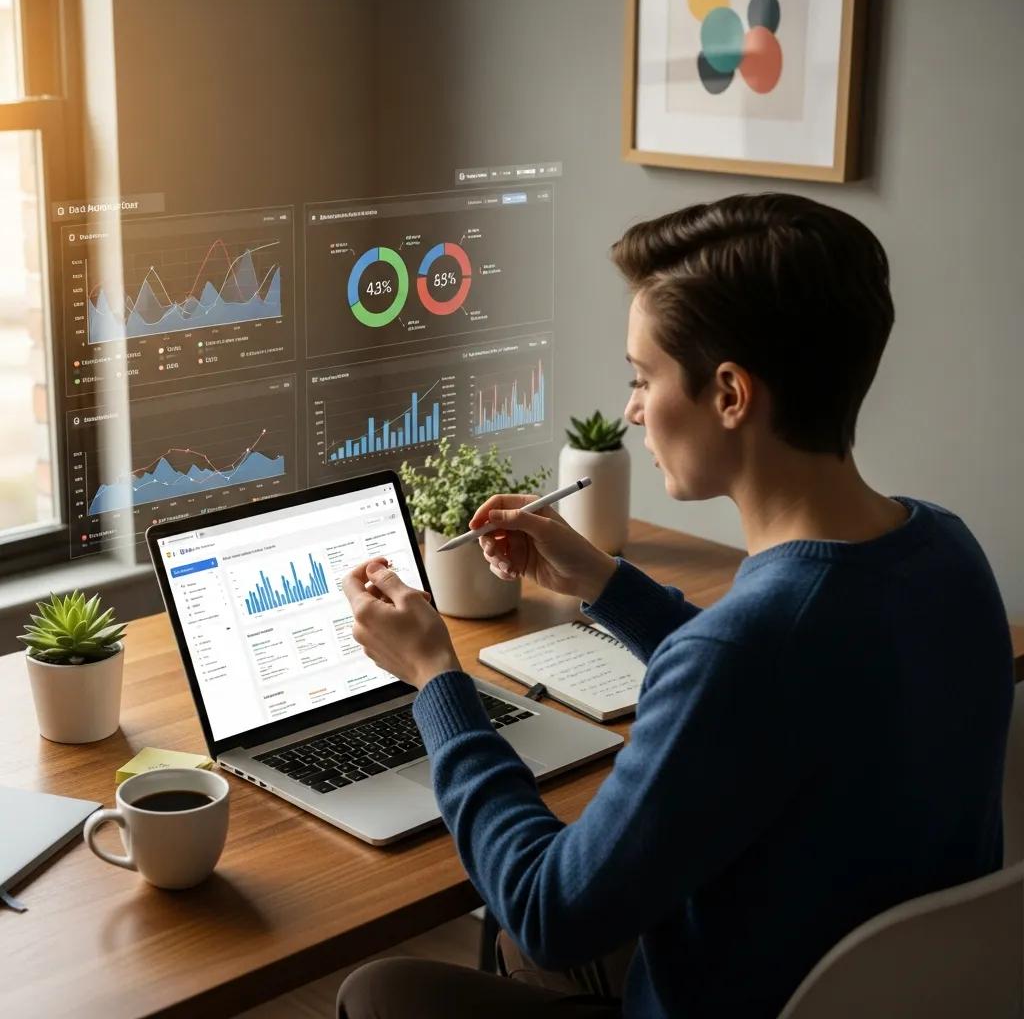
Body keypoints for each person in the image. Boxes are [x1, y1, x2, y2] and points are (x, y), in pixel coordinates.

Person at [336, 193, 1014, 1019]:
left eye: (642, 376)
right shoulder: (948, 550)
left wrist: (437, 677)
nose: (629, 409)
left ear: (730, 394)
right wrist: (605, 582)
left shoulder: (744, 652)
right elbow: (780, 683)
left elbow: (551, 913)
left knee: (381, 992)